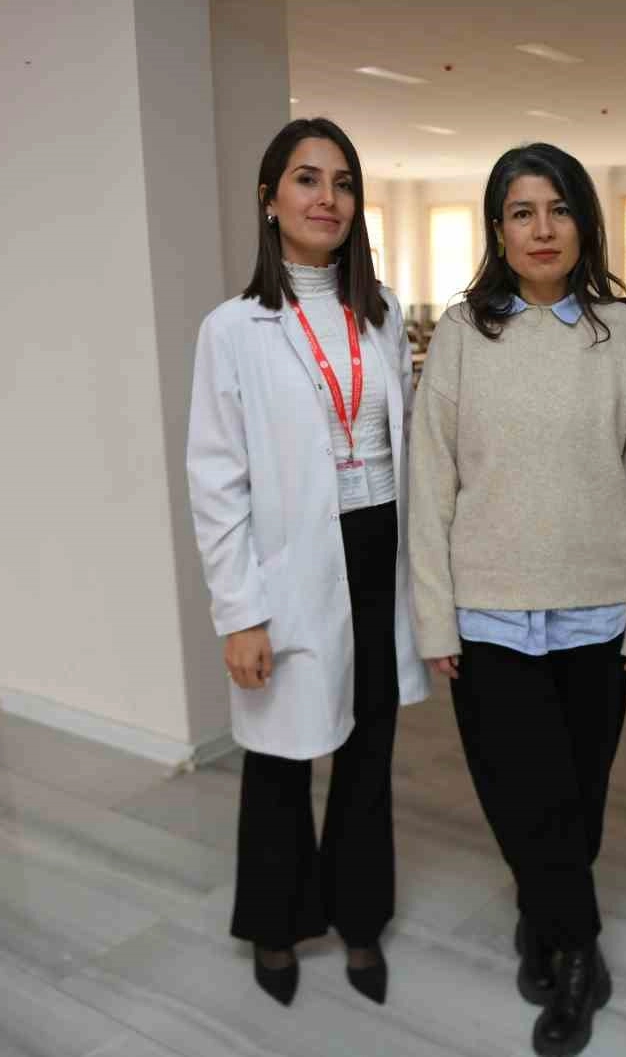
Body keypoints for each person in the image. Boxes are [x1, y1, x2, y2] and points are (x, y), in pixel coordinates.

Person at [407, 142, 626, 1057]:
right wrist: (434, 616)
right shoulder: (462, 334)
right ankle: (579, 953)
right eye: (523, 212)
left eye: (559, 210)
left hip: (598, 613)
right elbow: (431, 484)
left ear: (584, 223)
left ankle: (543, 914)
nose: (543, 229)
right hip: (489, 616)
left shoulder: (619, 334)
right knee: (520, 796)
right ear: (498, 229)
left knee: (578, 801)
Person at [186, 118, 428, 1010]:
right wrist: (239, 612)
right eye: (307, 179)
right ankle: (276, 923)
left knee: (369, 748)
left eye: (343, 182)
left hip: (378, 547)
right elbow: (217, 479)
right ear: (269, 199)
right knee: (280, 753)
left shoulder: (383, 311)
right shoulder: (233, 328)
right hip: (289, 562)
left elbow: (407, 438)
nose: (328, 198)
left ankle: (360, 916)